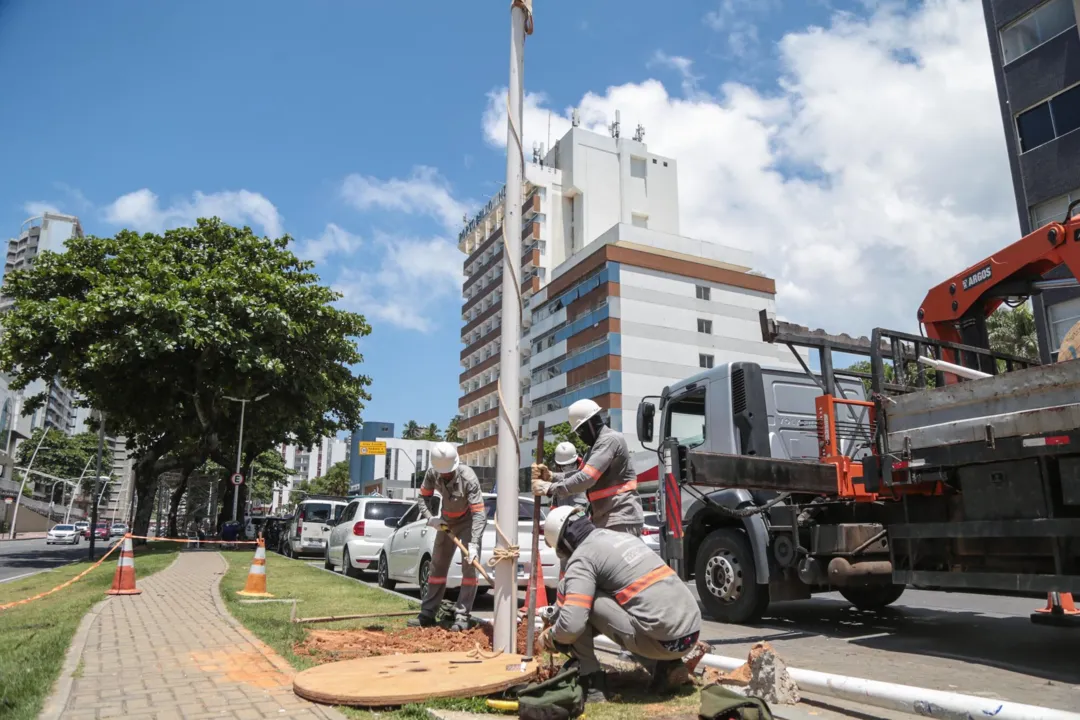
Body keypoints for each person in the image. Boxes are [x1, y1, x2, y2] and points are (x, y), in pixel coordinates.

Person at [536, 505, 702, 703]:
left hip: (662, 640)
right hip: (689, 634)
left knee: (578, 603)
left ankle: (591, 682)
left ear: (564, 543)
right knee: (637, 609)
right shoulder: (619, 537)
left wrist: (553, 637)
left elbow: (572, 624)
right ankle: (666, 668)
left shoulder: (583, 559)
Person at [407, 442, 488, 632]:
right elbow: (423, 498)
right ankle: (427, 613)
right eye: (441, 472)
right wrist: (431, 519)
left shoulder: (468, 478)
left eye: (448, 472)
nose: (444, 475)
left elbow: (479, 513)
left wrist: (474, 544)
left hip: (468, 524)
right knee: (436, 568)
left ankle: (462, 616)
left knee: (469, 572)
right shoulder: (432, 473)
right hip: (445, 524)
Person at [532, 399, 643, 535]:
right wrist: (551, 476)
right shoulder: (594, 449)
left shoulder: (610, 440)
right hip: (606, 518)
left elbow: (586, 478)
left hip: (621, 517)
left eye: (580, 432)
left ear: (590, 424)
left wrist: (550, 489)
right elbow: (578, 474)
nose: (580, 437)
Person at [551, 441, 588, 509]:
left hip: (582, 518)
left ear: (576, 461)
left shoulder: (585, 476)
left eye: (570, 465)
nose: (567, 468)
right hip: (562, 518)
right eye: (563, 466)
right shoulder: (558, 484)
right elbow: (554, 508)